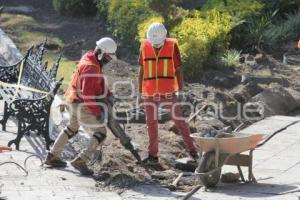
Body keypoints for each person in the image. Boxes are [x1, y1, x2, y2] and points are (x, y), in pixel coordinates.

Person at [44, 37, 117, 175]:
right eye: (108, 57)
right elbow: (88, 94)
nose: (109, 60)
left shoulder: (90, 57)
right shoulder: (91, 67)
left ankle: (52, 156)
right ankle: (81, 160)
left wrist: (108, 92)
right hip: (81, 104)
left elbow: (97, 80)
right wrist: (97, 112)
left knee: (71, 128)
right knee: (101, 133)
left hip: (72, 99)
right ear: (101, 53)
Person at [138, 22, 198, 165]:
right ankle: (153, 156)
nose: (155, 45)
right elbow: (141, 70)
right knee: (151, 124)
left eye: (158, 43)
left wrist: (181, 90)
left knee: (179, 122)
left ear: (164, 37)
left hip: (169, 92)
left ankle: (193, 151)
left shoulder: (172, 46)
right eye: (154, 43)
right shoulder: (145, 46)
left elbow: (178, 69)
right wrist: (140, 91)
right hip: (150, 92)